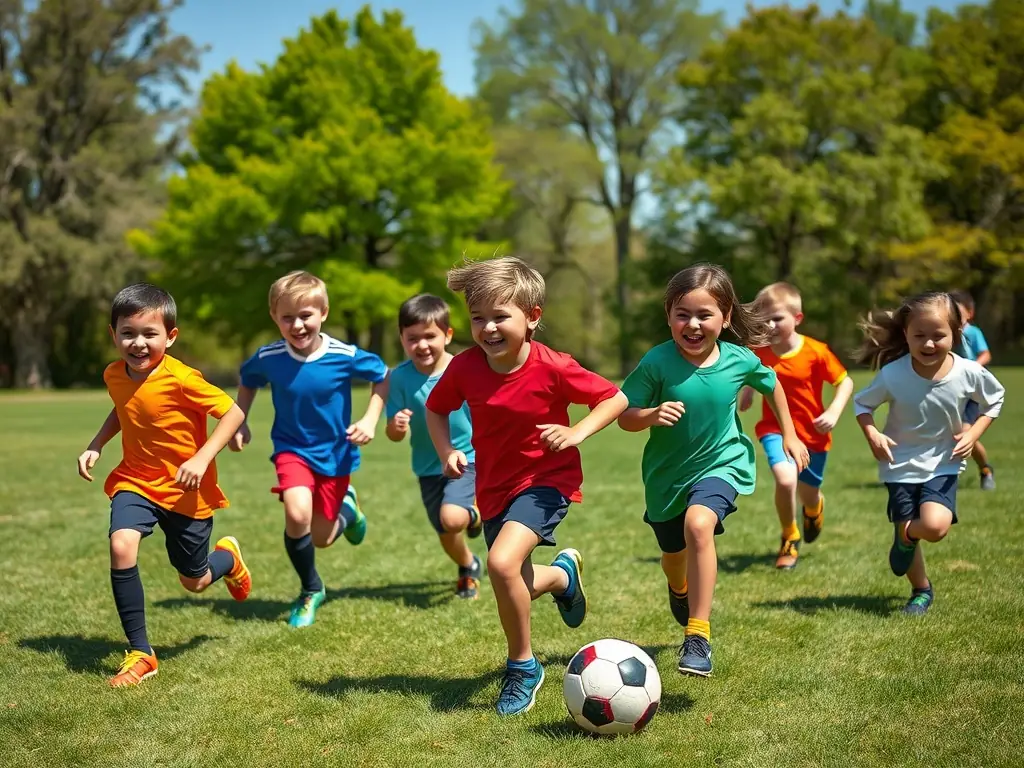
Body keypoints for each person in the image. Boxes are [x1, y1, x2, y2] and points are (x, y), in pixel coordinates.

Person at [424, 256, 628, 716]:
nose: (488, 328)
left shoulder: (554, 366)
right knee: (509, 575)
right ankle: (561, 577)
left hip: (546, 480)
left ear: (532, 317)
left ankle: (523, 666)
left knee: (499, 563)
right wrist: (446, 453)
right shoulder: (464, 368)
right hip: (493, 488)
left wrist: (576, 433)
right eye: (478, 318)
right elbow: (436, 409)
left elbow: (615, 397)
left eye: (500, 316)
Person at [618, 264, 808, 678]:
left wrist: (790, 435)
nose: (693, 324)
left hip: (722, 463)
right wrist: (650, 414)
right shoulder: (657, 362)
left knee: (699, 525)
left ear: (724, 317)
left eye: (705, 315)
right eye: (682, 313)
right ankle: (679, 586)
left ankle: (698, 635)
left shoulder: (740, 360)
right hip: (666, 478)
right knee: (673, 557)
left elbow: (771, 384)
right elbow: (624, 417)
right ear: (668, 315)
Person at [77, 283, 251, 687]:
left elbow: (233, 412)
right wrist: (97, 444)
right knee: (121, 543)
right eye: (128, 333)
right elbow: (123, 408)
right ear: (113, 334)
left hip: (185, 491)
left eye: (149, 334)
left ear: (170, 336)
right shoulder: (113, 374)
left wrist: (201, 458)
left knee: (195, 581)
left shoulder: (183, 378)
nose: (138, 343)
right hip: (136, 480)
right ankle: (142, 652)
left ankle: (227, 558)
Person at [230, 271, 388, 628]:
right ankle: (310, 589)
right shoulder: (268, 357)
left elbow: (382, 376)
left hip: (336, 454)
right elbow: (248, 380)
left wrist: (369, 420)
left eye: (306, 315)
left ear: (324, 312)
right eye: (288, 317)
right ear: (274, 317)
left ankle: (347, 510)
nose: (298, 325)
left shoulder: (343, 355)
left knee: (322, 538)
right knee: (297, 515)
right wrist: (241, 421)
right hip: (291, 449)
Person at [853, 291, 1004, 615]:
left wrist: (973, 432)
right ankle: (921, 590)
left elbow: (995, 400)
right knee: (912, 529)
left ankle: (905, 535)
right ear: (905, 334)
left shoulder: (968, 372)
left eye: (939, 335)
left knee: (935, 527)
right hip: (899, 465)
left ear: (956, 334)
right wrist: (872, 434)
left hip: (944, 462)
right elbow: (862, 403)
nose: (929, 344)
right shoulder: (894, 374)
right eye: (919, 335)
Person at [739, 282, 854, 569]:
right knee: (785, 478)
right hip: (774, 429)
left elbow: (845, 381)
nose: (770, 325)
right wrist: (749, 392)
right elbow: (752, 372)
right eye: (764, 319)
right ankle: (790, 536)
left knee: (808, 492)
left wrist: (835, 411)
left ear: (797, 319)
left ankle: (814, 508)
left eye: (777, 318)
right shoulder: (759, 352)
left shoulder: (816, 352)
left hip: (812, 435)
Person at [385, 293, 483, 600]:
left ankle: (473, 514)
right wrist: (395, 425)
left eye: (430, 336)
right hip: (427, 468)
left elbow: (481, 415)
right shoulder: (399, 377)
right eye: (412, 338)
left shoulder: (463, 369)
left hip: (465, 459)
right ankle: (469, 566)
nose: (422, 345)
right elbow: (393, 434)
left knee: (452, 518)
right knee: (446, 533)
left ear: (447, 334)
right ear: (401, 338)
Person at [950, 289, 996, 490]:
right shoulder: (945, 333)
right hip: (951, 391)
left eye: (958, 313)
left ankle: (975, 471)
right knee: (958, 435)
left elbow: (986, 354)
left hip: (971, 392)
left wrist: (974, 367)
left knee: (965, 433)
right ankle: (983, 469)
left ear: (969, 313)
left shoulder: (973, 332)